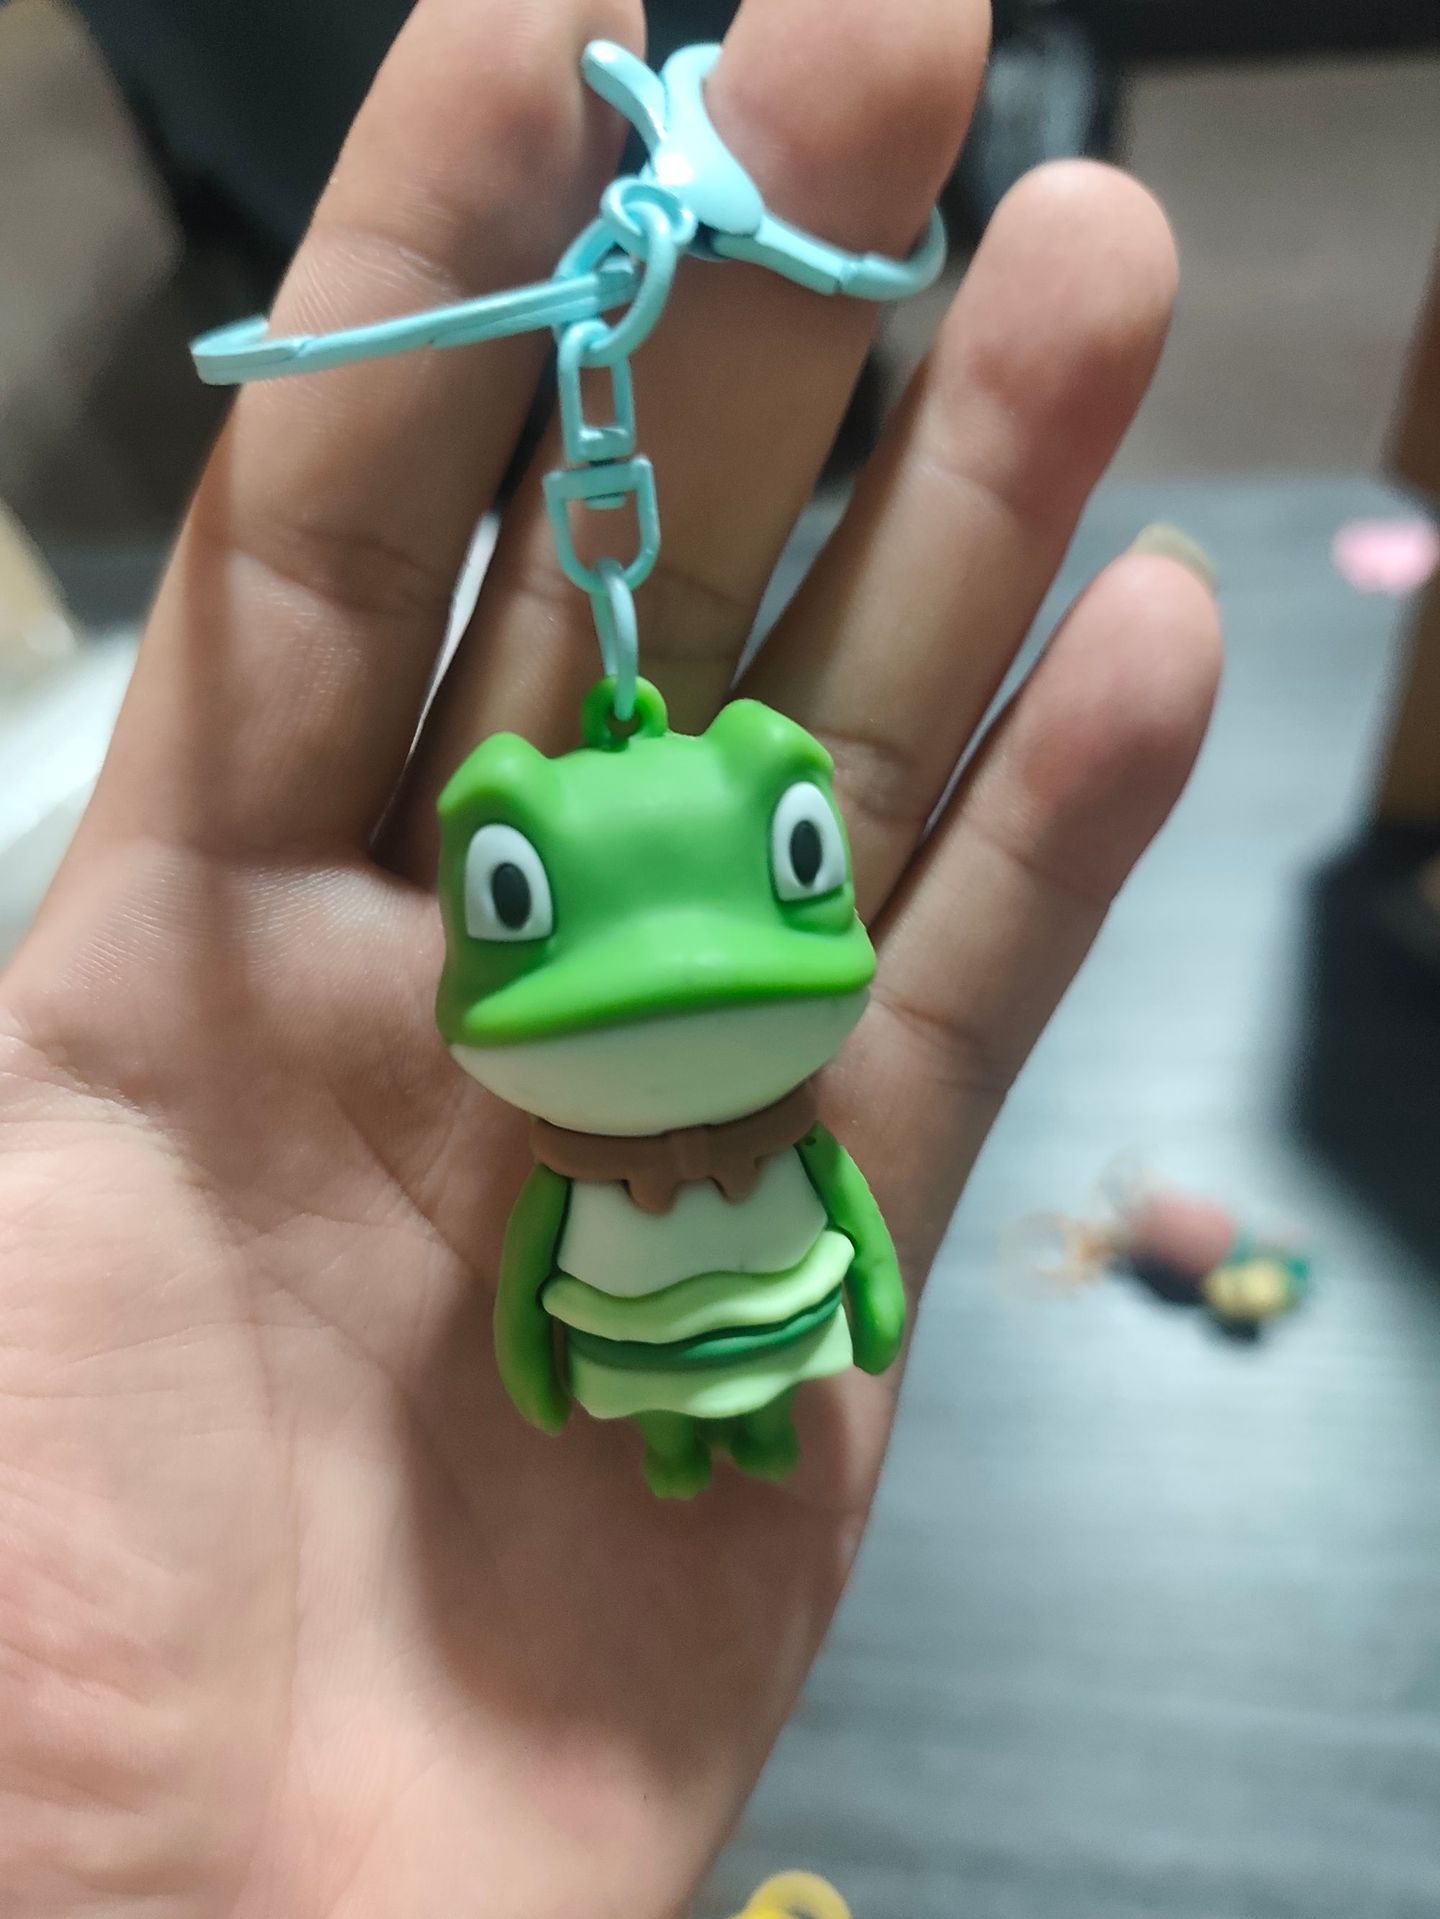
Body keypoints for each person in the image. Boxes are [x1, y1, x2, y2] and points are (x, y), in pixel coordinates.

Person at [0, 0, 1220, 1909]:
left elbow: (799, 1226)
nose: (675, 981)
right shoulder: (578, 1148)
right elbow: (553, 1289)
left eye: (787, 864)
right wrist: (593, 1355)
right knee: (672, 1413)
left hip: (711, 1315)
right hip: (652, 1343)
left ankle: (699, 1433)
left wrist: (847, 1304)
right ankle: (674, 1446)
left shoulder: (721, 1117)